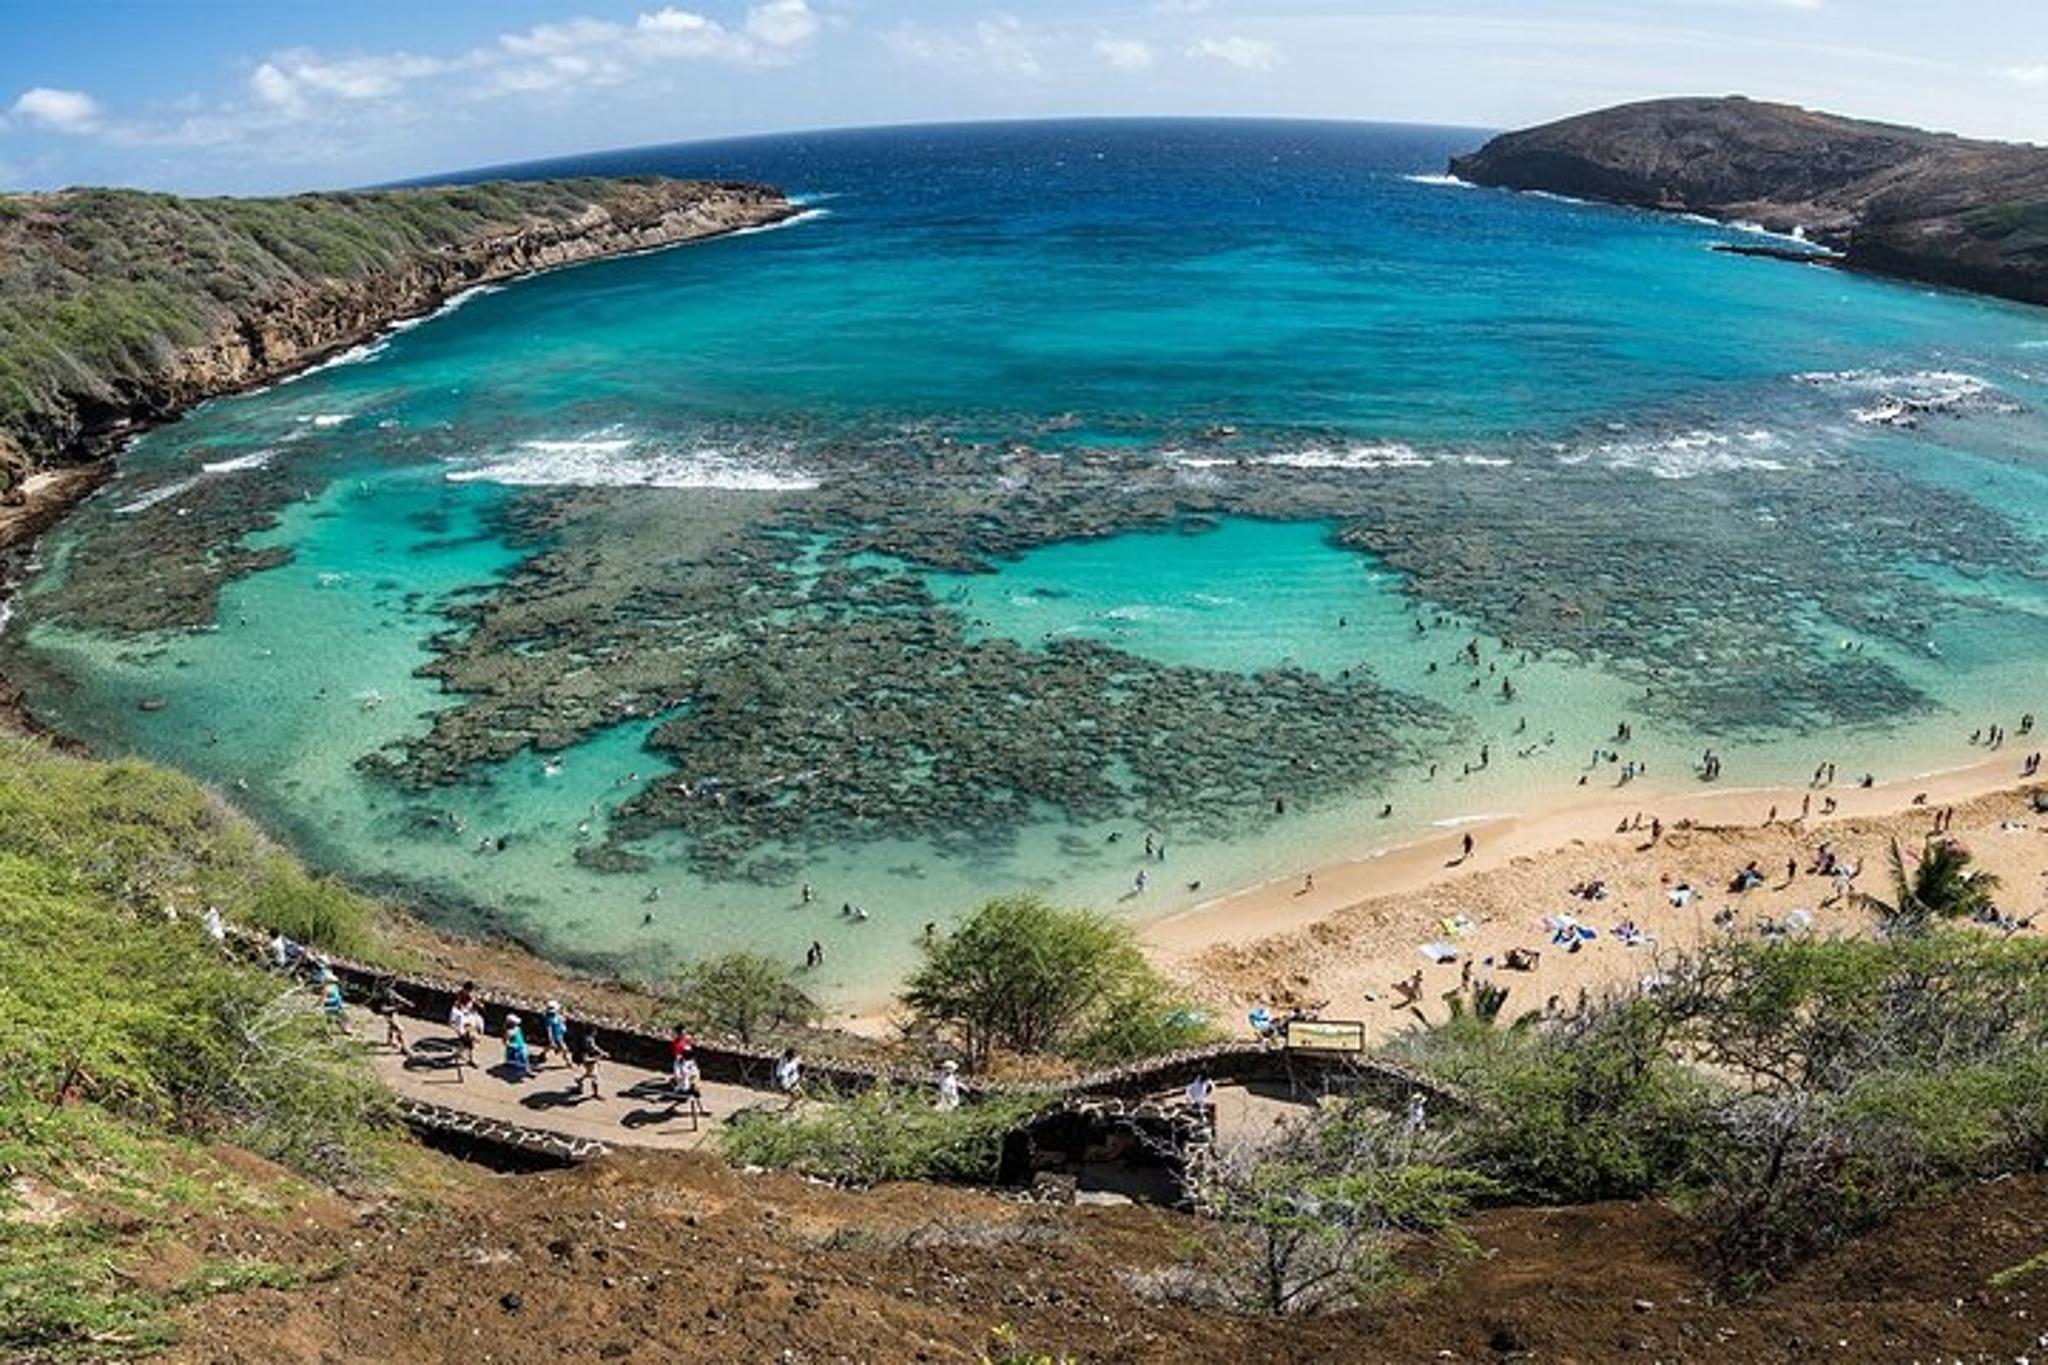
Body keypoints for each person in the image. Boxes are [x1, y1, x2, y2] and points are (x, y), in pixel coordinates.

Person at [369, 974, 413, 1053]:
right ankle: (404, 1048)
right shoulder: (382, 994)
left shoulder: (389, 991)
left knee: (391, 1027)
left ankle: (389, 1041)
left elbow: (397, 996)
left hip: (392, 1012)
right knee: (400, 1029)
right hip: (388, 1013)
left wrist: (407, 1002)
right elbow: (382, 1009)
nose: (394, 983)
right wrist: (397, 1007)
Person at [569, 1023, 607, 1099]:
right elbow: (585, 1059)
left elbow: (594, 1047)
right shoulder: (586, 1043)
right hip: (588, 1060)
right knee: (594, 1076)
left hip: (589, 1059)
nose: (596, 1032)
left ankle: (579, 1081)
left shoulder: (588, 1038)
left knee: (590, 1074)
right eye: (595, 1031)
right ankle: (595, 1093)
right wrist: (598, 1057)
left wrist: (601, 1052)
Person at [503, 1013, 533, 1081]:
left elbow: (521, 1037)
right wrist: (512, 1046)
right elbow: (506, 1042)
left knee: (525, 1059)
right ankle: (520, 1075)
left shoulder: (518, 1029)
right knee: (519, 1062)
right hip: (516, 1049)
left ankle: (527, 1071)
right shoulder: (509, 1032)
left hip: (522, 1046)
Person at [542, 1000, 569, 1065]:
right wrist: (551, 1039)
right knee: (565, 1049)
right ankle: (568, 1061)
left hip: (560, 1034)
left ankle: (543, 1054)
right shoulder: (549, 1019)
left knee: (550, 1047)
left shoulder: (557, 1015)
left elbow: (564, 1018)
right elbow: (549, 1030)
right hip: (556, 1036)